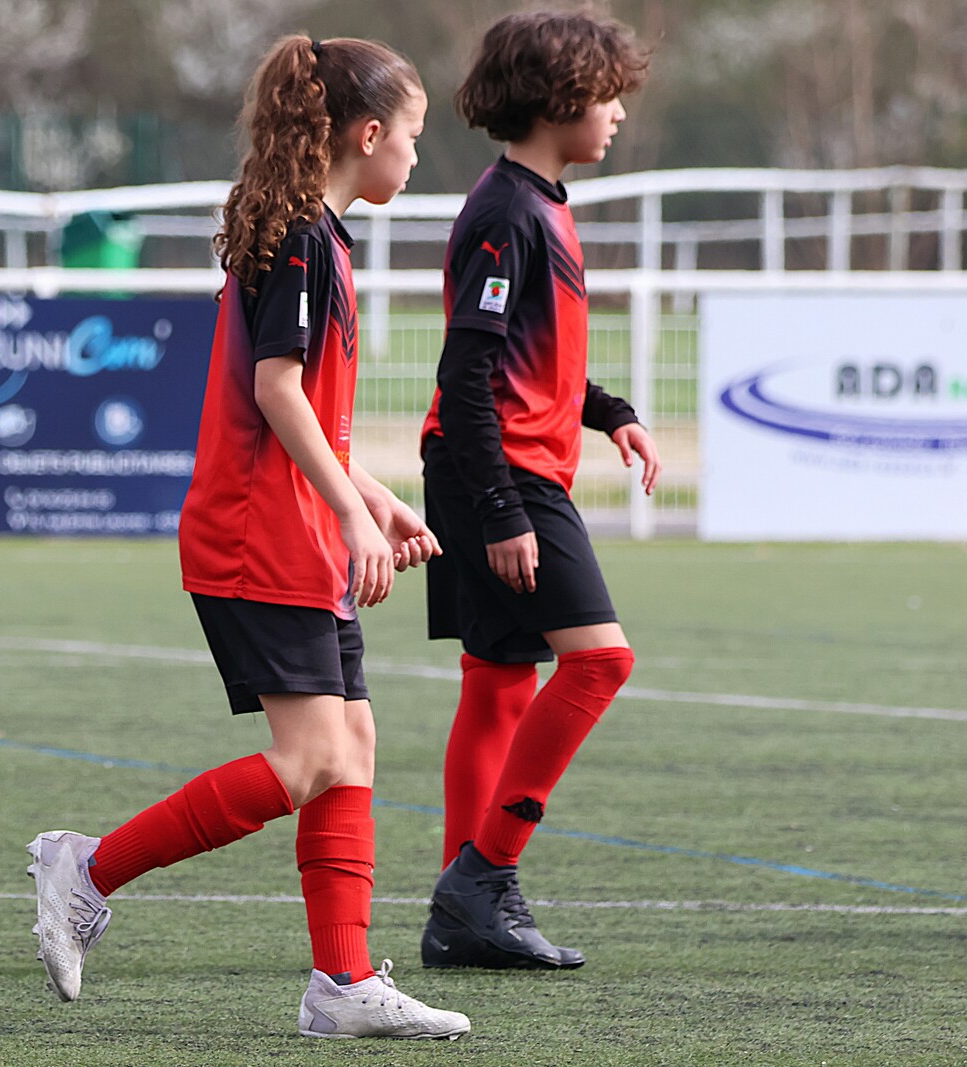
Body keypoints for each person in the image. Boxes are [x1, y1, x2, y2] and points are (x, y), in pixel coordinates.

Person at [25, 36, 470, 1041]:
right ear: (368, 135)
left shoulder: (316, 235)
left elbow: (302, 409)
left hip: (297, 532)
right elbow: (275, 392)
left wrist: (370, 496)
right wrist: (349, 508)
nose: (415, 155)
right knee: (311, 756)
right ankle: (86, 867)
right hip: (257, 537)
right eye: (411, 136)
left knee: (350, 747)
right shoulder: (305, 236)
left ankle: (342, 982)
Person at [417, 11, 658, 971]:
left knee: (499, 680)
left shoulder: (537, 202)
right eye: (608, 96)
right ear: (560, 100)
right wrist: (501, 510)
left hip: (499, 466)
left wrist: (609, 411)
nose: (618, 114)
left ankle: (459, 910)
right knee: (599, 663)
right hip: (498, 472)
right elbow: (466, 374)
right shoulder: (508, 213)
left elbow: (531, 357)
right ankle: (484, 878)